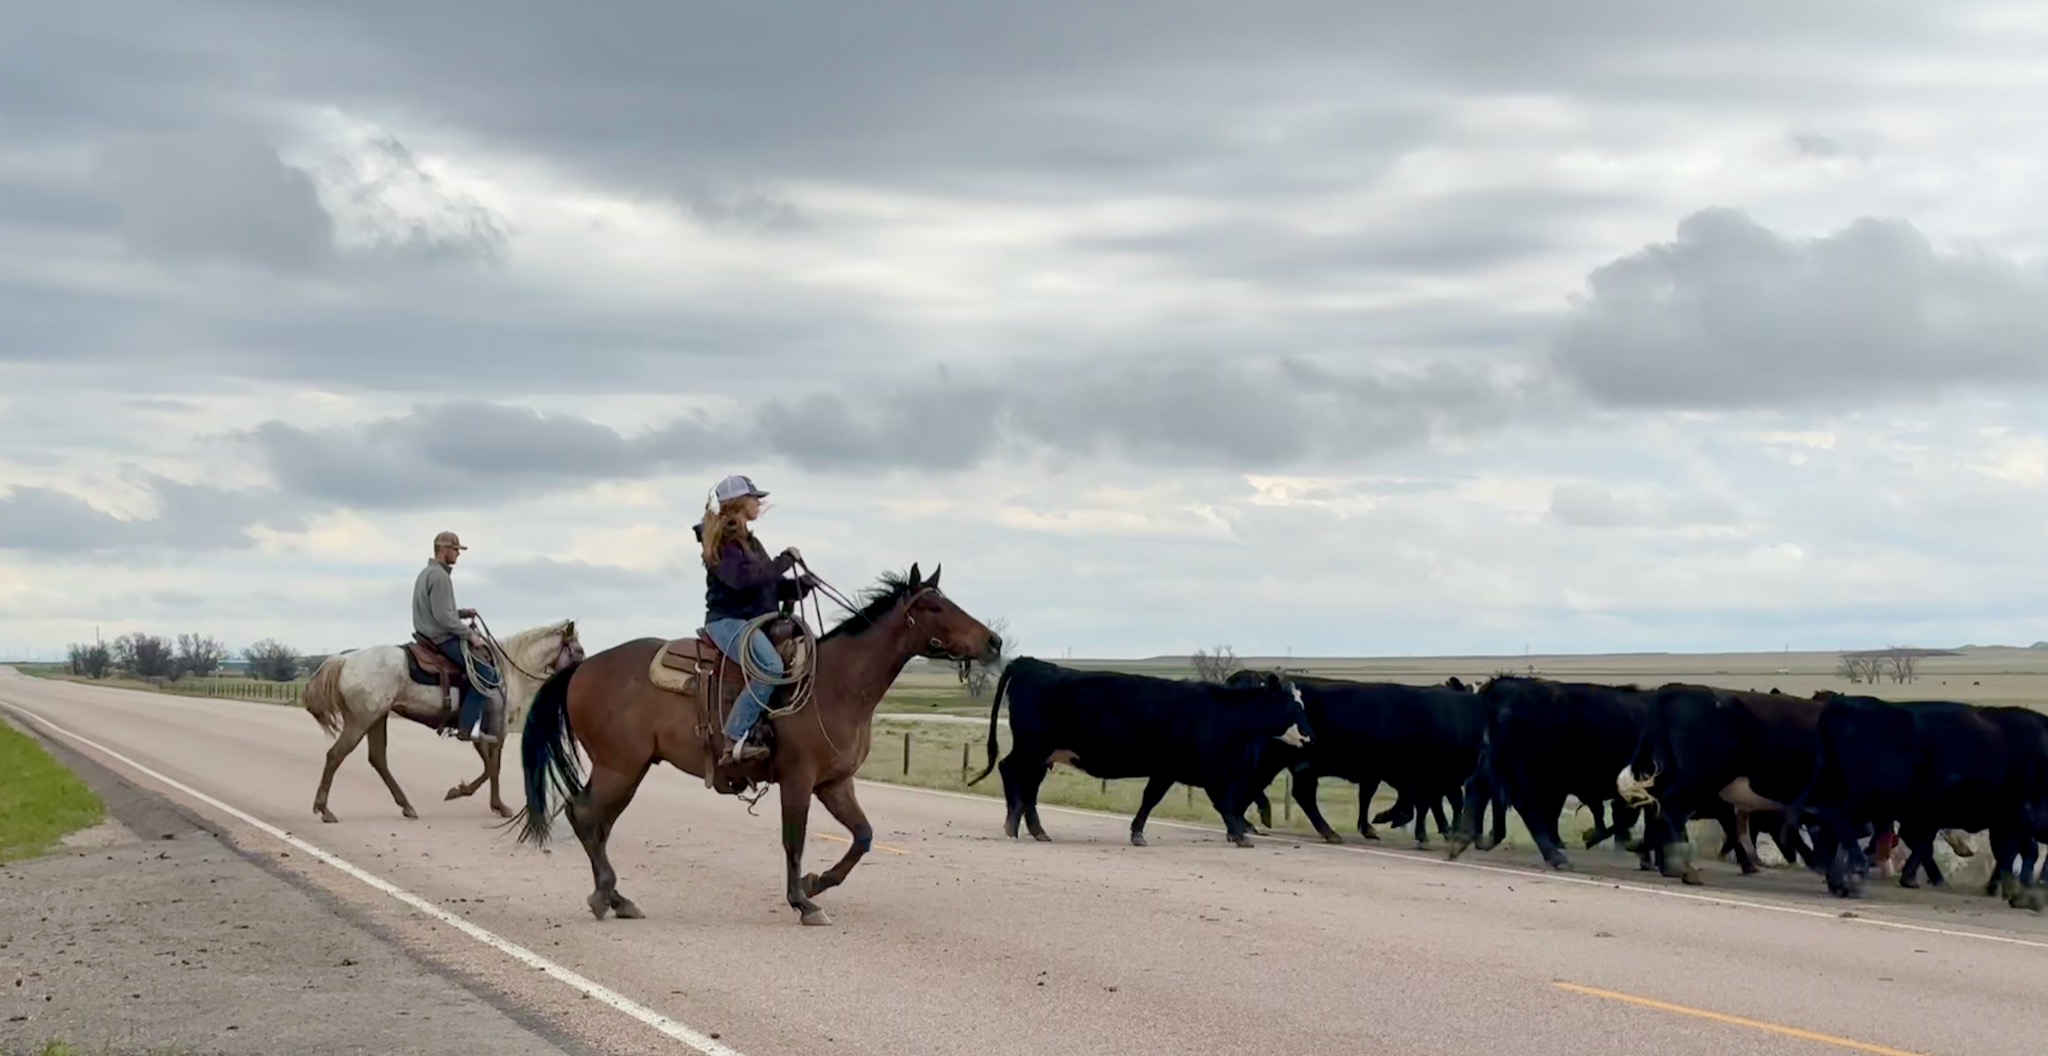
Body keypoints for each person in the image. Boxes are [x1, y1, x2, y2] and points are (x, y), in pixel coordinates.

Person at [693, 474, 816, 765]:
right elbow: (746, 581)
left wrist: (801, 585)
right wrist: (785, 560)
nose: (758, 502)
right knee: (771, 667)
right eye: (753, 497)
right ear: (738, 503)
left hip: (752, 622)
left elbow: (766, 584)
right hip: (728, 623)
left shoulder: (749, 541)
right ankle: (734, 738)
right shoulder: (723, 542)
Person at [411, 530, 502, 744]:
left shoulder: (427, 573)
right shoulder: (440, 577)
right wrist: (470, 635)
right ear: (443, 550)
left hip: (428, 633)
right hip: (441, 638)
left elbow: (440, 610)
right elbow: (443, 618)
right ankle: (468, 726)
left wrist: (462, 613)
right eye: (455, 550)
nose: (458, 555)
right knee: (487, 674)